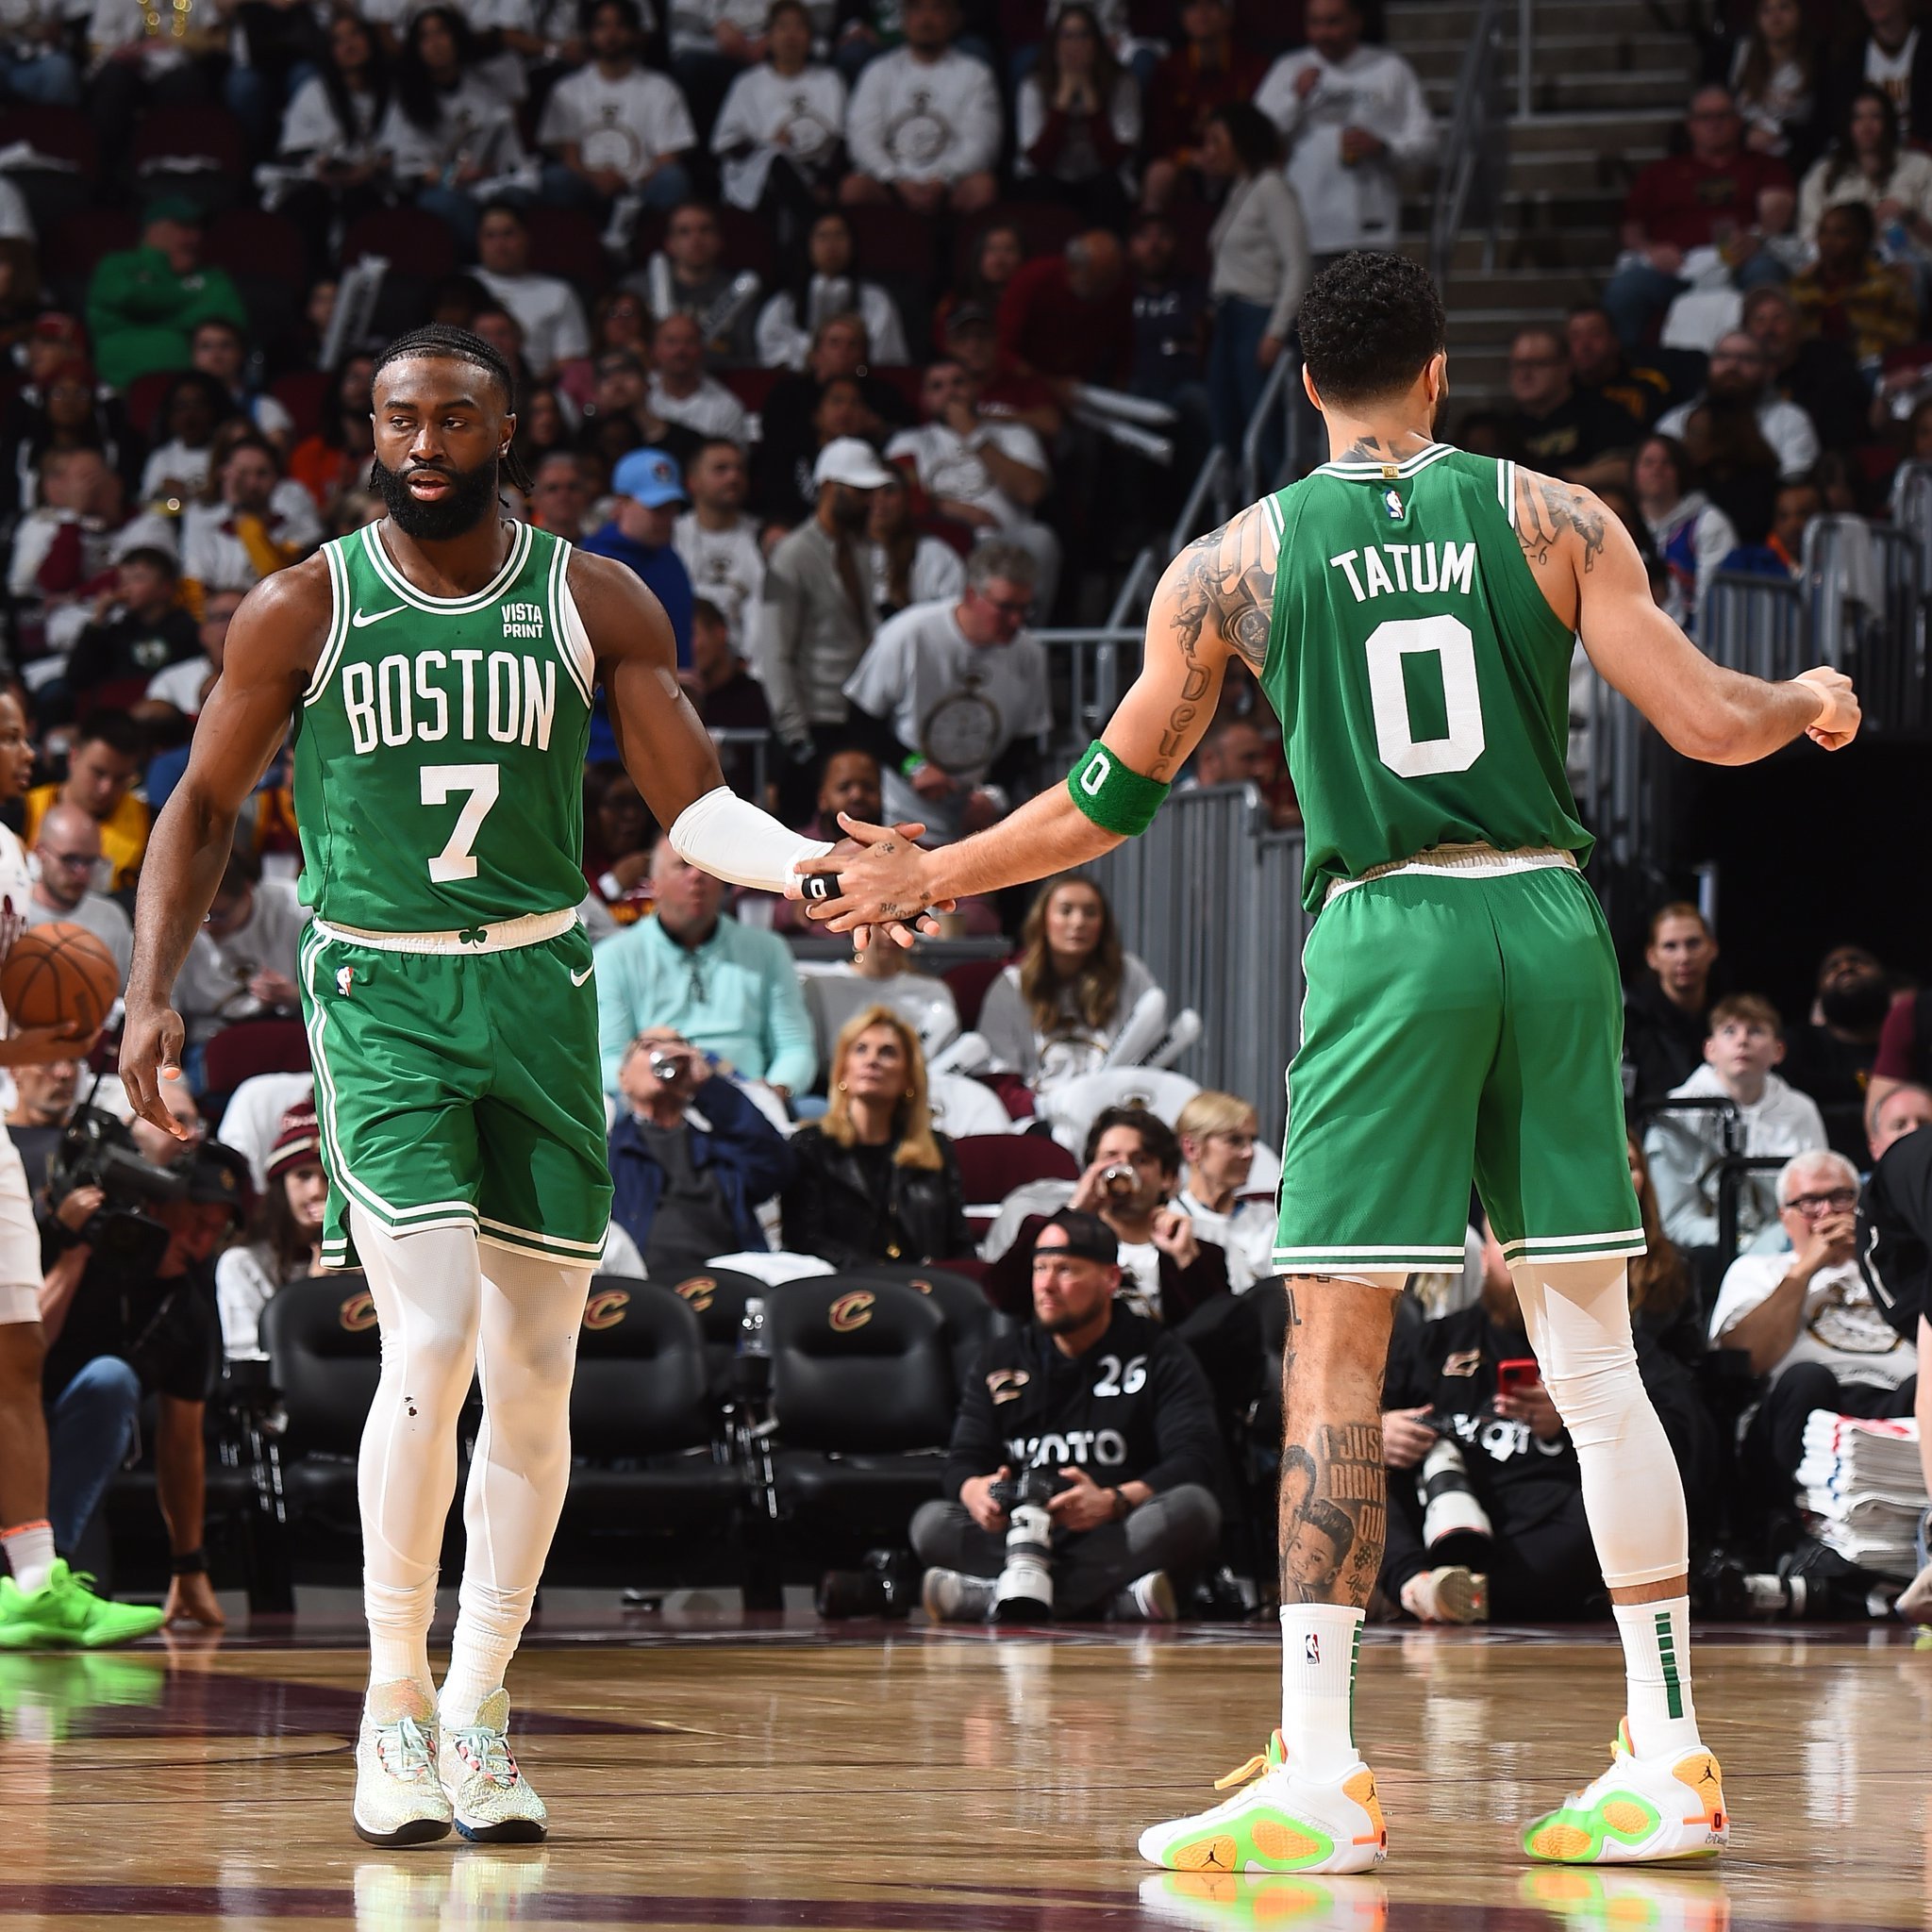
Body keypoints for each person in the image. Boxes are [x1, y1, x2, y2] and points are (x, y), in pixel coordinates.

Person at [802, 248, 1862, 1871]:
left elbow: (1106, 796)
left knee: (1334, 1355)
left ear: (1301, 382)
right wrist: (1807, 695)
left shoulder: (1233, 559)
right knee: (1592, 1354)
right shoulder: (1553, 515)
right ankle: (1668, 1756)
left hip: (1388, 927)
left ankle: (1320, 1770)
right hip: (1546, 918)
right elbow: (1711, 723)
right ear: (1439, 372)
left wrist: (927, 871)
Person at [118, 324, 848, 1847]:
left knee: (532, 1372)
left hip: (538, 986)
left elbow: (693, 806)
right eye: (400, 418)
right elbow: (199, 805)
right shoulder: (304, 604)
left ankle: (479, 1706)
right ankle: (390, 1700)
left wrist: (813, 867)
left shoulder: (592, 597)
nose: (425, 442)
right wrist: (146, 993)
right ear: (370, 431)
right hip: (380, 990)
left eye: (455, 418)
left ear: (508, 432)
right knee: (433, 1336)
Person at [0, 684, 166, 1651]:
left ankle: (34, 1584)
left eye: (27, 735)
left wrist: (58, 1036)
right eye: (10, 737)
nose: (28, 754)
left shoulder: (10, 855)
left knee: (17, 1346)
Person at [1380, 1220, 1711, 1624]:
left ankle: (1459, 1596)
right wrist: (1381, 1430)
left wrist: (1573, 1419)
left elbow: (1681, 1438)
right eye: (1506, 1243)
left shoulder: (1609, 1344)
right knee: (1364, 1471)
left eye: (1533, 1244)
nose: (1521, 1260)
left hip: (1544, 1524)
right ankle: (1417, 1585)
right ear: (1483, 1258)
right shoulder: (1435, 1343)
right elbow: (1356, 1414)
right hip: (1438, 1515)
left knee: (1609, 1516)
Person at [914, 1208, 1224, 1623]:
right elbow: (962, 1461)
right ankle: (1110, 1600)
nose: (1046, 1284)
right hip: (1020, 1536)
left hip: (1114, 1528)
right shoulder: (999, 1359)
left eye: (1065, 1270)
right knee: (931, 1523)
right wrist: (975, 1491)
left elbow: (1194, 1459)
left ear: (1110, 1279)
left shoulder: (1159, 1353)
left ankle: (1004, 1597)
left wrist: (1113, 1501)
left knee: (1193, 1509)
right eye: (1040, 1268)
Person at [35, 1136, 250, 1631]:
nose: (199, 1242)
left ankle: (46, 1572)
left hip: (71, 1461)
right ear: (158, 1202)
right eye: (195, 1222)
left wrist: (189, 1564)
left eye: (214, 1232)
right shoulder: (64, 1235)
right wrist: (73, 1254)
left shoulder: (188, 1312)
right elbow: (19, 1355)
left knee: (110, 1379)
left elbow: (182, 1445)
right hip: (15, 1423)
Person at [1711, 1150, 1917, 1504]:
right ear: (1784, 1217)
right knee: (1808, 1378)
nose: (1827, 1212)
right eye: (1809, 1202)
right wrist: (1805, 1269)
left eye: (1841, 1197)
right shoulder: (1758, 1269)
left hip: (1893, 1399)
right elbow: (1746, 1358)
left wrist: (1875, 1255)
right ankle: (1784, 1523)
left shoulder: (1894, 1267)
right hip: (1804, 1404)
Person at [842, 541, 1050, 846]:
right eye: (1006, 607)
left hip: (980, 825)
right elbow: (861, 717)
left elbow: (1024, 741)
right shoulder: (910, 634)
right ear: (971, 595)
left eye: (1024, 608)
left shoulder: (1029, 653)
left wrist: (993, 794)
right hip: (903, 819)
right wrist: (913, 766)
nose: (1016, 621)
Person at [594, 832, 817, 1103]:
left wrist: (777, 1091)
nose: (697, 876)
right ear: (654, 885)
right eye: (683, 866)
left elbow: (795, 1047)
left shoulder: (768, 949)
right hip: (656, 1096)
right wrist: (658, 1079)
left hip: (749, 1099)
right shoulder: (614, 957)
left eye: (706, 867)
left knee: (814, 1111)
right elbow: (608, 1060)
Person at [985, 1106, 1229, 1324]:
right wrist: (1074, 1213)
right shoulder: (1051, 1236)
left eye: (1140, 1159)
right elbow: (1003, 1297)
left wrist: (1187, 1260)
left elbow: (1222, 1336)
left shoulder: (1199, 1254)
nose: (1124, 1168)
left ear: (1168, 1177)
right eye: (1110, 1157)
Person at [757, 436, 891, 813]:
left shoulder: (862, 549)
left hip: (855, 716)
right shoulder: (792, 554)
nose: (870, 501)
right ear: (830, 487)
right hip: (811, 720)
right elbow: (775, 652)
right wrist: (795, 736)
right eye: (860, 491)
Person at [1602, 88, 1794, 351]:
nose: (1714, 124)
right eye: (1705, 117)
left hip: (1741, 256)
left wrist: (1756, 237)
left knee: (1764, 274)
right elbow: (1631, 226)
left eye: (1722, 116)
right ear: (1690, 124)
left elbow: (1777, 209)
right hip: (1675, 263)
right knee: (1626, 288)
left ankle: (1768, 360)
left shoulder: (1763, 165)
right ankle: (1628, 367)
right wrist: (1651, 250)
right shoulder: (1660, 172)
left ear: (1738, 121)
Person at [779, 1005, 970, 1267]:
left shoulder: (936, 1150)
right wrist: (874, 1273)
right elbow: (802, 1240)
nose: (872, 1060)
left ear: (908, 1079)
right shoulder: (810, 1147)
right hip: (841, 1286)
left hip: (923, 1286)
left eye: (887, 1052)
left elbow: (959, 1245)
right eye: (860, 1049)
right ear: (843, 1071)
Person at [1642, 994, 1829, 1256]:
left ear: (1778, 1050)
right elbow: (1675, 1219)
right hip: (1703, 1254)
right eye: (1729, 1031)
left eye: (1756, 1031)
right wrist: (1749, 1246)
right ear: (1710, 1049)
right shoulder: (1676, 1114)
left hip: (1786, 1245)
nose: (1742, 1041)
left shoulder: (1800, 1109)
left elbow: (1819, 1194)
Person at [1253, 0, 1436, 262]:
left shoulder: (1390, 68)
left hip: (1371, 232)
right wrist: (1295, 97)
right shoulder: (1289, 68)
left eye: (1333, 22)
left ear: (1356, 22)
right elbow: (1255, 137)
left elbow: (1427, 143)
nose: (1323, 33)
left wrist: (1383, 147)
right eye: (1315, 23)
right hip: (1306, 232)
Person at [608, 1027, 795, 1279]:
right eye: (649, 1046)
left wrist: (710, 1087)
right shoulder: (610, 1152)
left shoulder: (719, 1146)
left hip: (729, 1279)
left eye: (677, 1045)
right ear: (624, 1079)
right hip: (646, 1284)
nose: (665, 1054)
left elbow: (775, 1167)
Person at [886, 358, 1058, 610]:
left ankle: (1021, 624)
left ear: (976, 388)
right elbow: (898, 500)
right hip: (939, 543)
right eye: (937, 386)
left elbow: (1031, 492)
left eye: (958, 382)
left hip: (1003, 544)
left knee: (1041, 538)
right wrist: (958, 511)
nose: (950, 392)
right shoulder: (907, 441)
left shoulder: (1014, 434)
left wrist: (973, 434)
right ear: (924, 399)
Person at [1855, 1084, 1932, 1615]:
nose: (1913, 1131)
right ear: (1874, 1144)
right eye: (1899, 1124)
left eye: (1922, 1121)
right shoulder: (1897, 1176)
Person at [978, 874, 1157, 1091]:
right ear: (1043, 921)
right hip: (1038, 1108)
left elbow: (1152, 1061)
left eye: (1090, 913)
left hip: (1113, 1103)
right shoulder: (1011, 984)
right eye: (1065, 911)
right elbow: (1000, 1079)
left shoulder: (1129, 974)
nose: (1078, 922)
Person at [1200, 102, 1308, 456]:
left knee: (1265, 434)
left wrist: (1276, 331)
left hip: (1257, 318)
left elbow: (1297, 264)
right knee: (1227, 424)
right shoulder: (1240, 189)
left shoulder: (1272, 187)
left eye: (1216, 141)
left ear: (1241, 140)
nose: (1208, 151)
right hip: (1229, 319)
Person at [537, 0, 695, 218]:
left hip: (641, 191)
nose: (610, 34)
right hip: (586, 188)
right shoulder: (568, 90)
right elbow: (570, 157)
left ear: (634, 32)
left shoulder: (661, 88)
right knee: (555, 178)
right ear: (589, 33)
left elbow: (666, 159)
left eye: (619, 25)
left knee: (673, 178)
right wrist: (596, 179)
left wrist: (630, 182)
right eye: (601, 26)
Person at [841, 0, 999, 217]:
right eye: (917, 9)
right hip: (892, 185)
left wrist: (943, 178)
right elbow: (862, 138)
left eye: (937, 8)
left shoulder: (975, 73)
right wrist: (895, 178)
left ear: (953, 19)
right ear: (903, 19)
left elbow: (981, 143)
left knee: (982, 186)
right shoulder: (878, 71)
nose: (926, 19)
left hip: (950, 186)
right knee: (854, 188)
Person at [84, 197, 248, 393]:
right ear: (154, 230)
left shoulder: (213, 276)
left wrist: (148, 316)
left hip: (196, 397)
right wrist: (189, 299)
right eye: (185, 227)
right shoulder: (116, 265)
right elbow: (129, 297)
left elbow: (231, 319)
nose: (195, 237)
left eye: (198, 229)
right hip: (115, 392)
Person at [711, 0, 849, 225]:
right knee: (776, 162)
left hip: (816, 170)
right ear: (768, 37)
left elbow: (840, 138)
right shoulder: (748, 83)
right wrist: (770, 146)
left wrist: (826, 181)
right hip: (762, 175)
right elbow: (727, 142)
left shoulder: (829, 81)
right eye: (783, 27)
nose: (791, 35)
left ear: (810, 37)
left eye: (799, 27)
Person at [170, 840, 308, 1052]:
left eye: (218, 916)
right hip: (208, 1037)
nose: (207, 927)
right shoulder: (175, 926)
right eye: (199, 917)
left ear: (248, 890)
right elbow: (166, 1011)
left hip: (289, 1025)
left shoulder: (295, 908)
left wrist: (296, 995)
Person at [215, 1103, 326, 1359]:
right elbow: (249, 1357)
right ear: (280, 1187)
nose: (317, 1191)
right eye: (304, 1176)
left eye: (328, 1177)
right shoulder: (243, 1263)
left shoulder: (367, 1255)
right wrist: (318, 1291)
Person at [1012, 3, 1140, 225]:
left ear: (1096, 42)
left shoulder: (1121, 82)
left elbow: (1116, 157)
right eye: (1067, 36)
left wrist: (1091, 97)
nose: (1075, 45)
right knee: (1039, 187)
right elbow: (1038, 158)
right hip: (1050, 175)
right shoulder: (1034, 84)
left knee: (1107, 187)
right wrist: (1063, 100)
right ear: (1055, 42)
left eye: (1083, 36)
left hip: (1100, 175)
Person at [581, 447, 697, 671]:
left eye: (671, 508)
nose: (667, 519)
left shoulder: (669, 557)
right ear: (620, 504)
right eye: (656, 508)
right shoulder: (596, 565)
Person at [754, 210, 908, 373]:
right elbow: (772, 353)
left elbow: (885, 358)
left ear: (853, 244)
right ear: (808, 244)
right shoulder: (785, 303)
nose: (831, 245)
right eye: (822, 236)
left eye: (839, 236)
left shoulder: (876, 301)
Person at [1656, 331, 1819, 483]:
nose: (1732, 366)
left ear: (1768, 370)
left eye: (1747, 358)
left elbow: (1795, 484)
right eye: (1723, 357)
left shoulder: (1790, 419)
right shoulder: (1677, 419)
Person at [1782, 944, 1892, 1159]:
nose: (1845, 968)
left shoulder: (1909, 1043)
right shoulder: (1799, 1043)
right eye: (1832, 968)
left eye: (1858, 962)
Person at [624, 200, 762, 370]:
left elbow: (748, 360)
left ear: (719, 240)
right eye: (684, 232)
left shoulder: (742, 294)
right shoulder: (637, 290)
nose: (696, 240)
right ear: (669, 243)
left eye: (705, 230)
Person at [23, 710, 149, 893]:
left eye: (120, 779)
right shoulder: (24, 810)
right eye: (98, 773)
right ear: (73, 757)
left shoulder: (150, 824)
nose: (106, 788)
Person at [1741, 284, 1869, 454]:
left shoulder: (1829, 365)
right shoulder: (1739, 376)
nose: (1769, 329)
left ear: (1796, 326)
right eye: (1759, 320)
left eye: (1778, 318)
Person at [471, 204, 591, 384]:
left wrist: (529, 390)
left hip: (539, 392)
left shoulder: (558, 293)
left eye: (508, 234)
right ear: (478, 241)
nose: (500, 245)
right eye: (490, 235)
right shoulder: (461, 286)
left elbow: (571, 360)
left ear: (526, 238)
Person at [62, 545, 203, 698]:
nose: (126, 588)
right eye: (123, 581)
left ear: (166, 588)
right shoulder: (118, 632)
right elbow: (77, 677)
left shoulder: (187, 629)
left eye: (138, 579)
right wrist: (98, 619)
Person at [1632, 434, 1738, 633]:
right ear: (1634, 473)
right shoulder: (1622, 521)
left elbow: (1712, 599)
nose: (1657, 469)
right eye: (1648, 463)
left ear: (1681, 472)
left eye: (1666, 463)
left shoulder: (1708, 522)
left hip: (1692, 638)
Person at [1790, 201, 1919, 362]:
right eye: (1823, 232)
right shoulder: (1800, 288)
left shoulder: (1889, 286)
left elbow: (1905, 337)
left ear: (1860, 239)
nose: (1828, 241)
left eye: (1840, 233)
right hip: (1812, 370)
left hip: (1872, 368)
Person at [1502, 327, 1635, 481]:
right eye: (1517, 364)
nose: (1524, 374)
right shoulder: (1504, 426)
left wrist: (1560, 481)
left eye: (1537, 364)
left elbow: (1623, 469)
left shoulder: (1602, 412)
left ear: (1566, 367)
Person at [1174, 1089, 1274, 1291]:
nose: (1249, 1152)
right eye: (1235, 1140)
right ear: (1191, 1148)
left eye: (1252, 1140)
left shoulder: (1270, 1219)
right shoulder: (1170, 1222)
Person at [672, 440, 764, 655]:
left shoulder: (761, 537)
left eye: (739, 469)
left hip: (746, 663)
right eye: (720, 469)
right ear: (692, 482)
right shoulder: (672, 536)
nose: (733, 477)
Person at [1624, 903, 1720, 1107]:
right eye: (1670, 946)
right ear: (1652, 957)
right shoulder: (1629, 1024)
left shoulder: (1731, 1019)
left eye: (1693, 944)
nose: (1683, 957)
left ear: (1713, 948)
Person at [26, 804, 133, 982]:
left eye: (90, 861)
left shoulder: (111, 917)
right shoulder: (11, 913)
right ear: (41, 852)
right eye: (70, 859)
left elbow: (130, 993)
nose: (81, 872)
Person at [869, 470, 965, 621]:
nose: (879, 501)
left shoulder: (935, 554)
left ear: (906, 499)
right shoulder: (843, 553)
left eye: (889, 491)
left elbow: (955, 618)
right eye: (869, 492)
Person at [646, 312, 753, 447]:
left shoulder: (726, 407)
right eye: (671, 342)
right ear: (654, 349)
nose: (680, 350)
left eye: (689, 342)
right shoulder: (639, 394)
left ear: (702, 349)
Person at [1566, 303, 1672, 430]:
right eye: (1575, 336)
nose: (1584, 345)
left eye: (1595, 334)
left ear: (1615, 340)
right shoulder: (1561, 390)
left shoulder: (1647, 384)